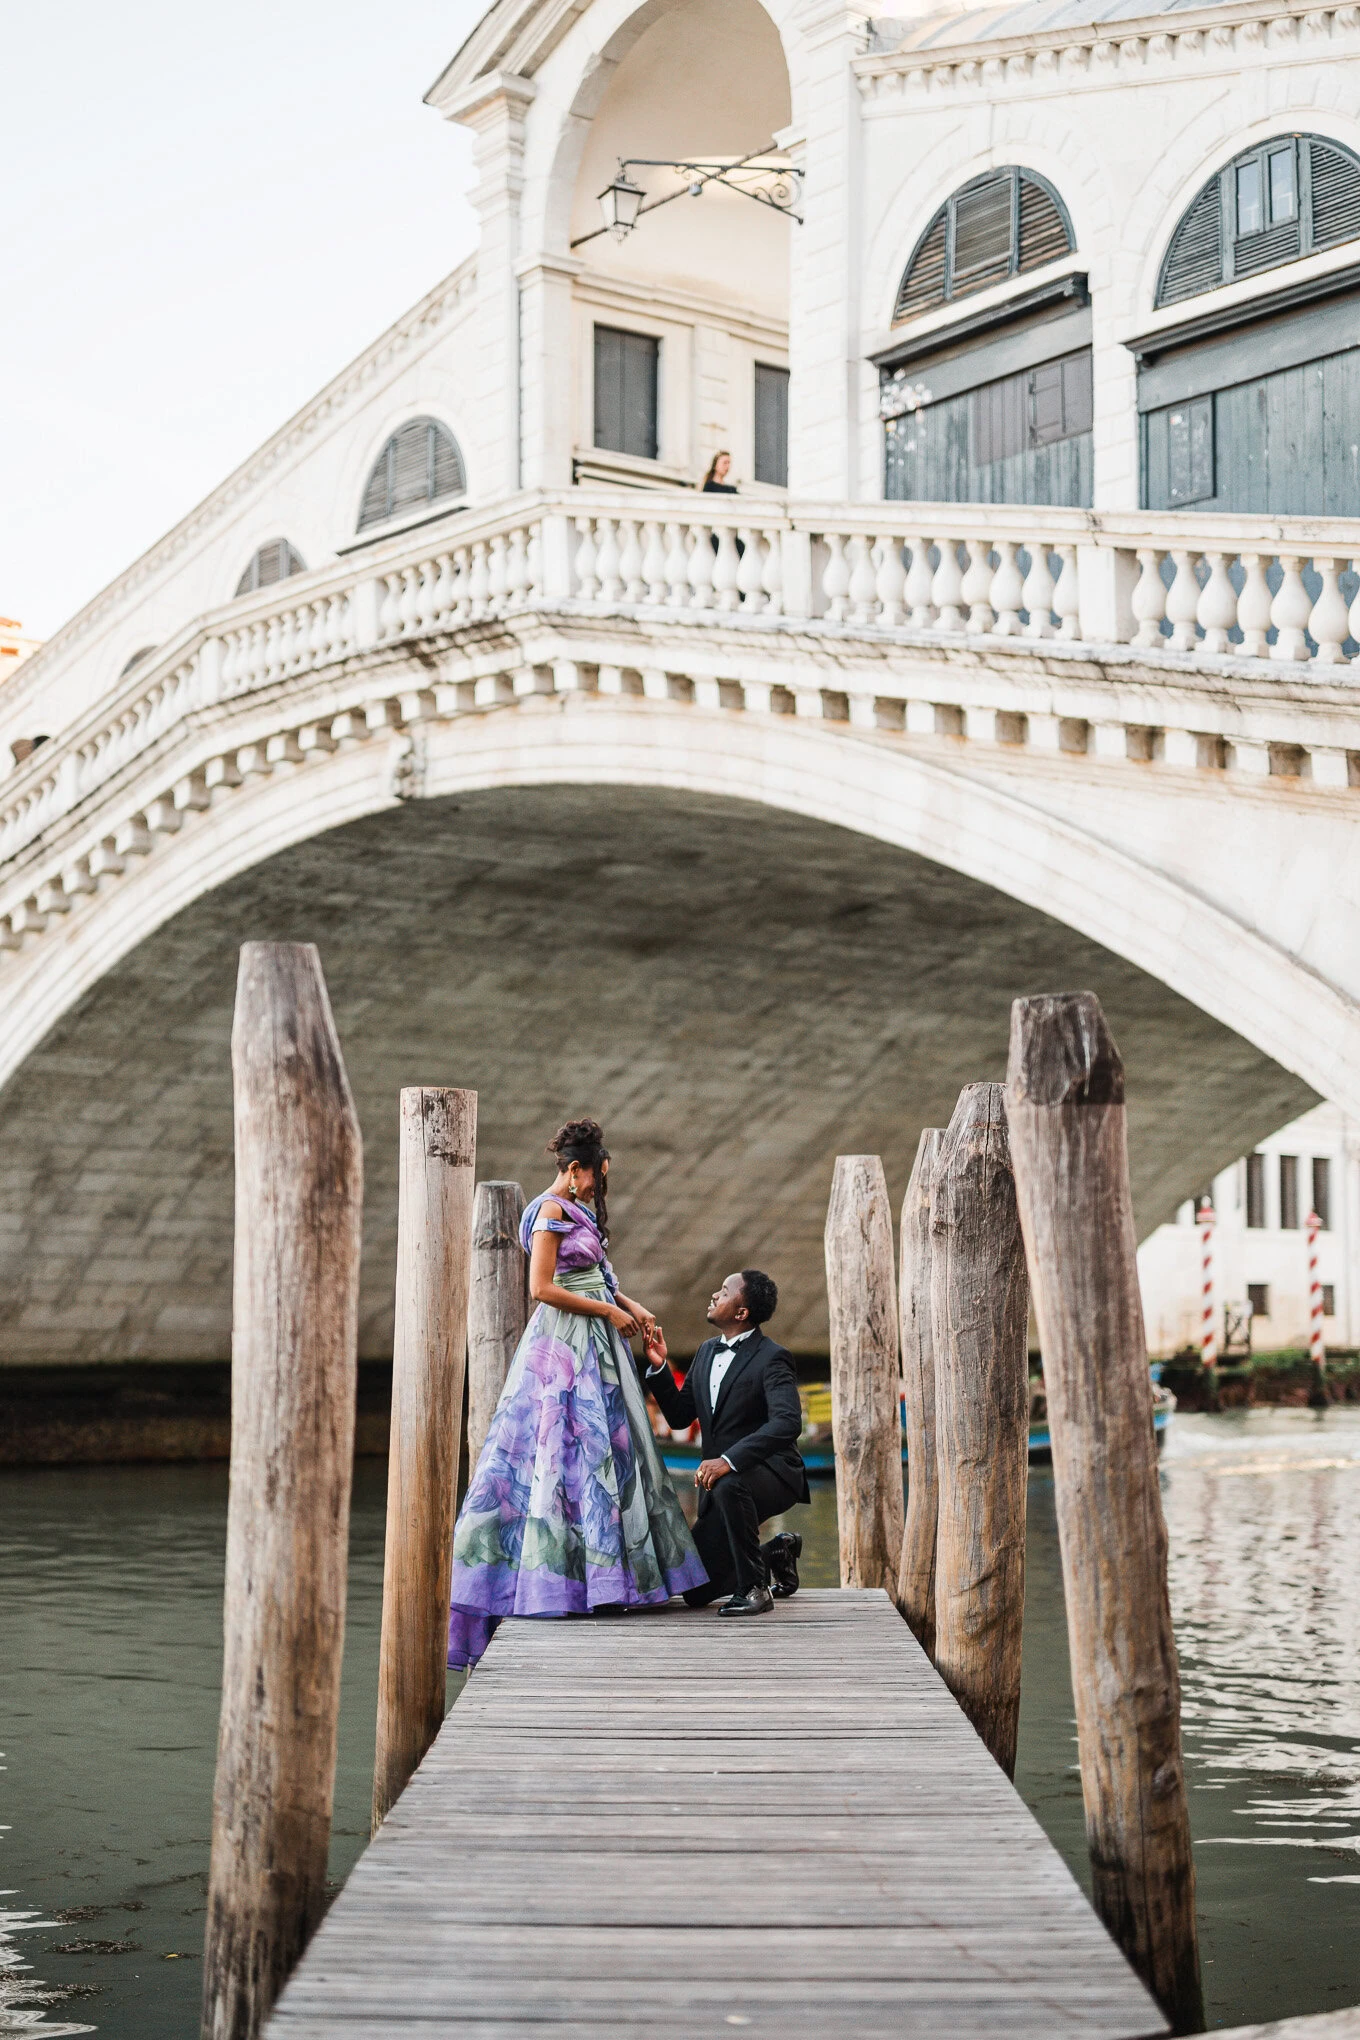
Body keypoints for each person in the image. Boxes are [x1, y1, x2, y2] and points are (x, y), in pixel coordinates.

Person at [447, 1120, 706, 1669]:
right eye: (594, 1178)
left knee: (606, 1453)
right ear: (574, 1170)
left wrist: (629, 1305)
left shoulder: (575, 1211)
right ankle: (559, 1582)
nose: (597, 1188)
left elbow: (592, 1273)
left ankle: (610, 1578)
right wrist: (610, 1310)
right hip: (565, 1344)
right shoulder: (549, 1211)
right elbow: (542, 1288)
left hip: (598, 1341)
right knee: (562, 1452)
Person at [642, 1270, 808, 1617]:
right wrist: (658, 1368)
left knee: (731, 1481)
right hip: (721, 1487)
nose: (715, 1295)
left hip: (773, 1474)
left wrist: (729, 1460)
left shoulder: (773, 1357)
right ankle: (777, 1551)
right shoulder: (705, 1352)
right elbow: (679, 1417)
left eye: (724, 1291)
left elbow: (788, 1422)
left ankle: (755, 1590)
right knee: (696, 1591)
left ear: (741, 1312)